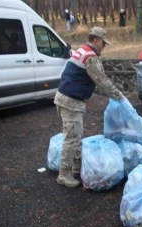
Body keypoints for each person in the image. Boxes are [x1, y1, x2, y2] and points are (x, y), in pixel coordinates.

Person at [54, 27, 125, 188]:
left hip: (63, 98)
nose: (104, 46)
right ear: (95, 40)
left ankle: (77, 169)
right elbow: (102, 81)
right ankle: (63, 175)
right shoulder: (91, 57)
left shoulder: (81, 51)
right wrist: (120, 97)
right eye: (103, 43)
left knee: (75, 136)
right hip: (71, 102)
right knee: (72, 139)